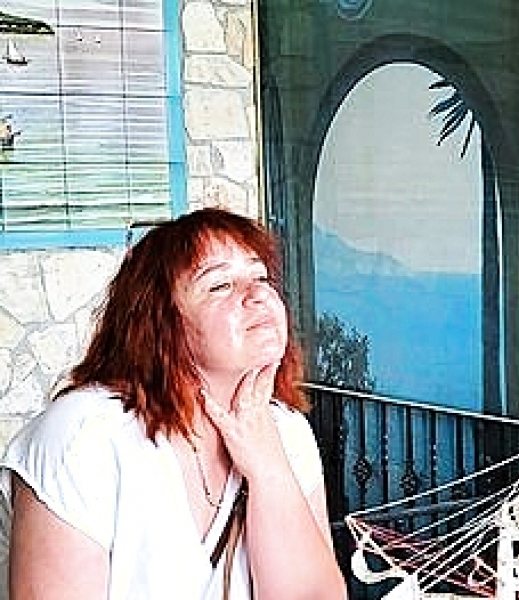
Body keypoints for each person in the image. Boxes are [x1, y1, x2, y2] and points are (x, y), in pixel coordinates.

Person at [0, 207, 348, 599]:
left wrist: (268, 467)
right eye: (220, 285)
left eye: (261, 277)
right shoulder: (83, 437)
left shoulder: (287, 432)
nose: (258, 295)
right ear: (161, 323)